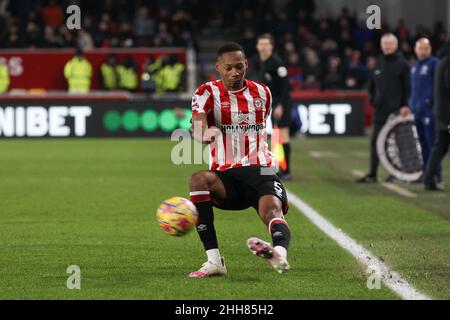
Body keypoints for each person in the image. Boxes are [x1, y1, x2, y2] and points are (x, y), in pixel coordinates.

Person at [188, 43, 291, 278]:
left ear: (246, 65)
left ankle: (279, 254)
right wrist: (204, 134)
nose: (235, 72)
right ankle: (214, 261)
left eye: (239, 66)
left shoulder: (263, 93)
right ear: (218, 68)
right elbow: (198, 126)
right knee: (198, 180)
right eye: (228, 68)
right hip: (226, 178)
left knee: (272, 213)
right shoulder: (205, 92)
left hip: (260, 170)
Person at [357, 33, 411, 183]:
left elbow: (408, 88)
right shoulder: (379, 62)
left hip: (396, 111)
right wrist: (373, 100)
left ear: (396, 45)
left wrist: (405, 105)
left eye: (390, 44)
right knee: (375, 141)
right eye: (385, 44)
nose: (387, 46)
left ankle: (396, 173)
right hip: (380, 110)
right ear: (381, 45)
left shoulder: (403, 64)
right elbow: (372, 85)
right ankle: (372, 174)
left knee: (395, 144)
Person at [255, 34, 293, 180]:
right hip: (273, 103)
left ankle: (287, 170)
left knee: (283, 134)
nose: (263, 47)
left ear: (271, 46)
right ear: (258, 46)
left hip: (281, 103)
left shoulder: (276, 63)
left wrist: (280, 105)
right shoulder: (262, 61)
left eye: (266, 44)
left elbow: (286, 87)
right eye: (261, 44)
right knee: (276, 136)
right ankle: (278, 167)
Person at [409, 38, 439, 183]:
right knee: (422, 145)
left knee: (433, 145)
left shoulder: (434, 64)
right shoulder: (414, 66)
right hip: (417, 111)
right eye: (420, 48)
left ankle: (436, 175)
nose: (423, 51)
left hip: (429, 112)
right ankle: (426, 173)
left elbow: (438, 85)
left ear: (430, 49)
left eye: (425, 49)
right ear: (415, 50)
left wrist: (431, 101)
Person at [424, 41, 450, 191]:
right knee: (440, 147)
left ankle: (428, 179)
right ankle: (428, 179)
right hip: (447, 115)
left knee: (440, 147)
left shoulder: (442, 61)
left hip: (441, 113)